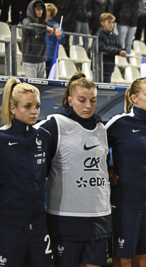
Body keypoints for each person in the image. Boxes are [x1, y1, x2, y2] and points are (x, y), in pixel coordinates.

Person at [37, 73, 111, 267]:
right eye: (82, 100)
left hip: (99, 216)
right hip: (66, 218)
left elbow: (104, 164)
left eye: (93, 100)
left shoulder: (101, 127)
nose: (88, 105)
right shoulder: (55, 125)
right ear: (70, 100)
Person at [105, 78, 146, 267]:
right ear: (134, 98)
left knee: (142, 258)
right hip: (125, 202)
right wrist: (109, 169)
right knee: (123, 258)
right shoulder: (120, 123)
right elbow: (96, 147)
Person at [0, 78, 53, 267]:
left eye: (37, 106)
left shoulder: (44, 136)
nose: (35, 111)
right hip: (9, 226)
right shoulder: (1, 139)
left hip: (39, 225)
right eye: (28, 106)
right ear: (13, 108)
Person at [22, 0, 61, 78]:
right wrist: (45, 28)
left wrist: (57, 29)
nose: (40, 11)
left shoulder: (43, 22)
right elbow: (28, 26)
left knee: (40, 88)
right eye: (38, 9)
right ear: (32, 10)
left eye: (41, 9)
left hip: (41, 60)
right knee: (32, 87)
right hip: (30, 61)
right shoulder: (26, 20)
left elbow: (53, 25)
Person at [97, 12, 127, 83]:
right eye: (109, 22)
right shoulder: (99, 35)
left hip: (109, 69)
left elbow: (119, 47)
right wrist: (118, 51)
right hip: (99, 68)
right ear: (102, 23)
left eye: (112, 23)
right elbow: (102, 48)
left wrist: (123, 50)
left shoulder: (115, 36)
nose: (111, 25)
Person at [44, 3, 65, 77]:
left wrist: (55, 35)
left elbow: (62, 40)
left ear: (48, 12)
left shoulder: (57, 26)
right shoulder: (39, 24)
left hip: (50, 57)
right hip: (40, 56)